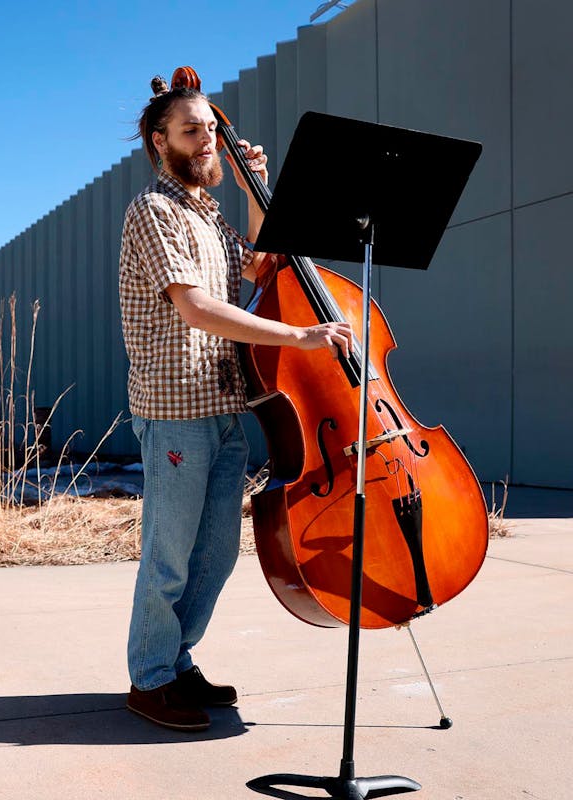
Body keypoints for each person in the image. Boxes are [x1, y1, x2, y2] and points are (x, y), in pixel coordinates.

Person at [119, 74, 352, 731]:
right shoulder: (155, 210)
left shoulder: (208, 212)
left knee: (215, 555)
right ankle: (150, 679)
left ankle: (178, 659)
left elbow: (261, 268)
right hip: (174, 409)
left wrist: (257, 192)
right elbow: (196, 306)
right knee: (169, 556)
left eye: (210, 129)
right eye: (191, 129)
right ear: (159, 141)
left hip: (225, 405)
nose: (206, 139)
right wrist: (301, 336)